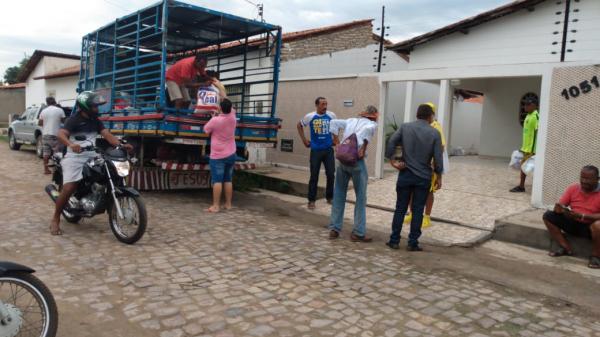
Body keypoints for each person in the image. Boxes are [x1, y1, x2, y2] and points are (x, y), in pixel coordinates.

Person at [50, 91, 133, 235]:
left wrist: (120, 145)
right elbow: (61, 134)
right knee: (69, 187)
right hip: (74, 156)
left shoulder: (96, 120)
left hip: (92, 154)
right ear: (85, 107)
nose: (97, 109)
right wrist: (71, 144)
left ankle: (97, 197)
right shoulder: (73, 120)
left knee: (109, 172)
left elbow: (107, 134)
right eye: (94, 106)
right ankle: (55, 218)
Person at [385, 104, 443, 251]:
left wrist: (392, 160)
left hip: (405, 174)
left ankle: (394, 240)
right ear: (430, 116)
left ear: (417, 115)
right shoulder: (434, 133)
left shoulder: (405, 127)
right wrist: (439, 176)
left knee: (400, 208)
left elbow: (391, 141)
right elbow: (438, 158)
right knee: (417, 210)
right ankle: (413, 243)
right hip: (423, 177)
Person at [327, 105, 378, 242]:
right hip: (356, 163)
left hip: (342, 161)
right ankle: (358, 232)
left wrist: (337, 142)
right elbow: (368, 131)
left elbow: (332, 122)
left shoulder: (350, 120)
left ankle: (334, 229)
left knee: (339, 193)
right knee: (360, 197)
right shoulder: (371, 124)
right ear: (373, 115)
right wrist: (364, 147)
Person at [542, 165, 600, 269]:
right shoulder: (573, 188)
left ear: (597, 179)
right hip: (573, 222)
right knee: (548, 216)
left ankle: (596, 256)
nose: (584, 181)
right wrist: (560, 209)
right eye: (582, 177)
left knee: (598, 225)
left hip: (591, 228)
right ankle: (565, 248)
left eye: (588, 179)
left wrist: (582, 216)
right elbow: (561, 205)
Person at [402, 102, 447, 228]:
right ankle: (411, 213)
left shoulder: (436, 126)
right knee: (411, 190)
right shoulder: (416, 125)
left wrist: (434, 164)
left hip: (428, 167)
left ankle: (427, 217)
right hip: (414, 165)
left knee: (429, 192)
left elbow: (441, 147)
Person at [297, 97, 337, 209]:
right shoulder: (310, 116)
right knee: (314, 176)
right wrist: (304, 140)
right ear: (317, 105)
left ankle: (330, 197)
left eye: (326, 104)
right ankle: (311, 200)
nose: (325, 106)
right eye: (322, 104)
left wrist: (335, 140)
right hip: (315, 150)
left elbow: (335, 127)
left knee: (330, 174)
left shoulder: (331, 115)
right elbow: (299, 125)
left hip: (328, 150)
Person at [204, 98, 237, 213]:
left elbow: (206, 130)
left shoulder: (216, 121)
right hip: (231, 153)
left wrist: (214, 117)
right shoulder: (233, 117)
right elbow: (229, 108)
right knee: (228, 179)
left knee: (217, 180)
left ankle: (216, 206)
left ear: (220, 108)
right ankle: (228, 204)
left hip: (218, 155)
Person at [510, 97, 539, 192]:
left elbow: (537, 133)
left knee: (527, 167)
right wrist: (523, 148)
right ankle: (522, 186)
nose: (525, 106)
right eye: (524, 104)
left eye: (528, 104)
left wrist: (533, 150)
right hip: (526, 148)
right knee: (525, 167)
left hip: (531, 149)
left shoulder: (536, 117)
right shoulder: (528, 116)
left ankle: (522, 187)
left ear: (534, 105)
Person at [38, 97, 66, 174]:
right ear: (55, 102)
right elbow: (64, 121)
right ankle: (56, 170)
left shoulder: (43, 111)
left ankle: (46, 170)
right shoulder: (60, 110)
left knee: (46, 153)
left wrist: (47, 122)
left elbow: (40, 123)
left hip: (45, 135)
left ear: (47, 103)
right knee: (56, 153)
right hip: (55, 135)